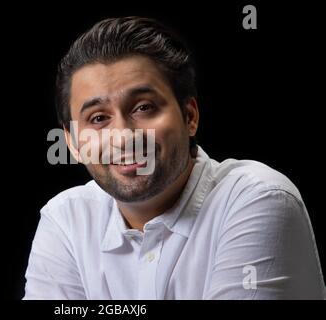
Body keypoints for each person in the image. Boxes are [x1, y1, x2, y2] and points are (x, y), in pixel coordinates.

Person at [24, 16, 325, 299]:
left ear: (189, 116)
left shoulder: (258, 198)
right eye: (99, 117)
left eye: (143, 107)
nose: (123, 136)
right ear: (73, 142)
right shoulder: (66, 220)